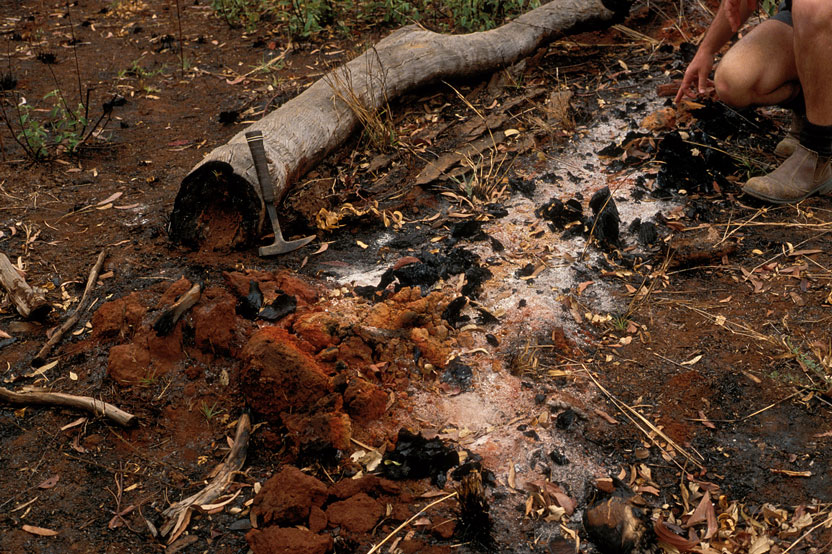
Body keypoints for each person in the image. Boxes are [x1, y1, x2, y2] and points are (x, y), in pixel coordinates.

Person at [675, 0, 832, 204]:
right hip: (810, 23)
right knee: (734, 81)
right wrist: (707, 50)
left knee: (812, 7)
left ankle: (818, 152)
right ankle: (812, 111)